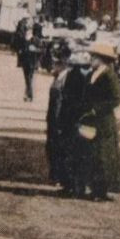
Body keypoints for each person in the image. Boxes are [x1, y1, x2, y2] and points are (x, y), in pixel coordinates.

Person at [76, 41, 120, 201]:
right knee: (92, 154)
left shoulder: (109, 75)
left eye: (93, 57)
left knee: (103, 156)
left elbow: (116, 99)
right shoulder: (92, 74)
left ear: (102, 59)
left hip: (103, 121)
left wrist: (97, 109)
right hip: (91, 120)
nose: (91, 59)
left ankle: (101, 191)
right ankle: (94, 188)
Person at [48, 48, 88, 195]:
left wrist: (60, 121)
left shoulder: (71, 76)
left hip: (69, 120)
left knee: (70, 153)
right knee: (68, 153)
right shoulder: (68, 76)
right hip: (67, 120)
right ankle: (69, 184)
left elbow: (66, 101)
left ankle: (72, 186)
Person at [14, 23, 40, 102]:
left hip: (32, 62)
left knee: (29, 79)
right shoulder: (23, 39)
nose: (27, 32)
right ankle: (28, 94)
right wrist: (20, 51)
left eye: (29, 30)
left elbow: (41, 51)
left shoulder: (36, 39)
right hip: (26, 62)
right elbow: (19, 49)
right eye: (27, 30)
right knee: (28, 79)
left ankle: (29, 95)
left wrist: (34, 50)